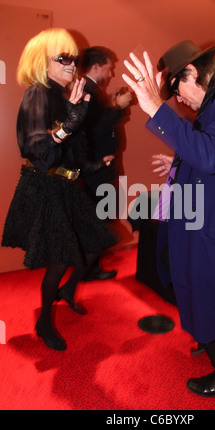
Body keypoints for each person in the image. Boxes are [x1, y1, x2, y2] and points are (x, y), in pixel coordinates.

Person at [122, 40, 215, 397]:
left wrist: (156, 108)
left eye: (176, 93)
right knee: (187, 284)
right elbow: (207, 152)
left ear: (191, 72)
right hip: (199, 215)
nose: (180, 102)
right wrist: (175, 163)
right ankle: (209, 335)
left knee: (203, 294)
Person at [1, 28, 116, 351]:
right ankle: (44, 321)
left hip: (67, 184)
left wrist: (93, 165)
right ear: (43, 62)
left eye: (74, 59)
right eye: (63, 58)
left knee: (95, 242)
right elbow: (35, 150)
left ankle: (67, 292)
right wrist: (66, 126)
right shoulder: (37, 93)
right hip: (45, 187)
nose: (71, 64)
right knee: (60, 257)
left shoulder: (62, 97)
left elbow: (70, 152)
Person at [78, 46, 133, 281]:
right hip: (97, 169)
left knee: (100, 220)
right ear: (96, 67)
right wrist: (117, 107)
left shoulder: (93, 90)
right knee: (99, 222)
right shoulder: (87, 90)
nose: (111, 74)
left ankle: (91, 268)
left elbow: (99, 124)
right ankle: (87, 271)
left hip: (101, 167)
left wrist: (114, 106)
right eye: (109, 69)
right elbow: (96, 130)